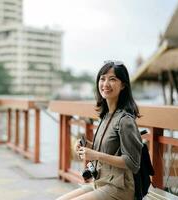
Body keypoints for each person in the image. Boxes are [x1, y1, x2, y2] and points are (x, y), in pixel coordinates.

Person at [56, 61, 143, 200]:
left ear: (123, 85)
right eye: (102, 78)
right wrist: (87, 146)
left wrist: (95, 155)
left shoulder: (125, 120)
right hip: (101, 181)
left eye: (112, 79)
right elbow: (107, 148)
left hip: (120, 188)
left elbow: (132, 163)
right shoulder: (105, 116)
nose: (105, 84)